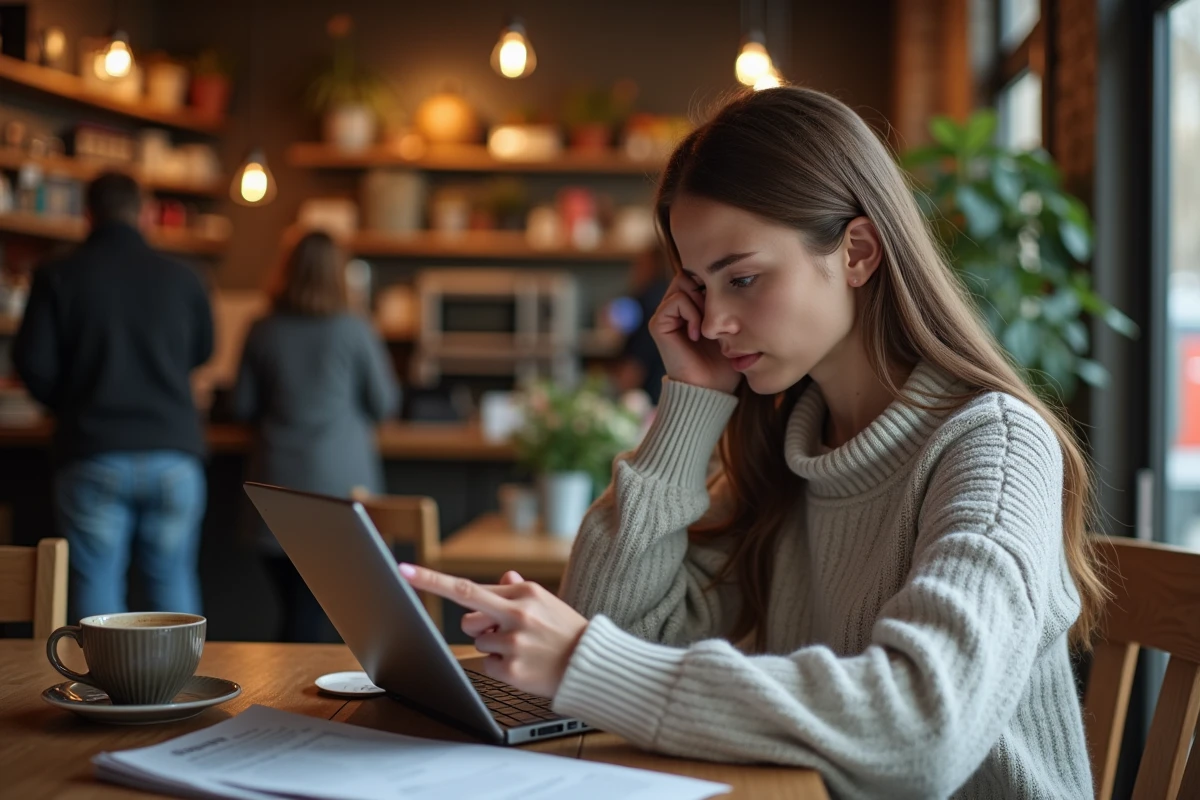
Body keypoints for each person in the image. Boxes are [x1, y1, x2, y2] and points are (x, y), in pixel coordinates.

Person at [400, 86, 1100, 798]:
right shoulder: (791, 448)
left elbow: (922, 731)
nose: (713, 322)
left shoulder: (995, 447)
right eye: (701, 287)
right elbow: (618, 629)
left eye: (743, 278)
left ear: (857, 251)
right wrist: (691, 405)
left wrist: (583, 657)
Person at [14, 172, 214, 623]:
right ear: (144, 213)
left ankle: (106, 692)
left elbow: (33, 364)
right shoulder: (184, 277)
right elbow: (203, 350)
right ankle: (184, 692)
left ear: (87, 214)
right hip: (173, 452)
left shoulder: (58, 274)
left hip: (92, 448)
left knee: (96, 582)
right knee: (172, 582)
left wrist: (68, 403)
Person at [233, 230, 399, 643]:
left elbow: (241, 407)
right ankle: (306, 700)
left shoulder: (263, 329)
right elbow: (384, 403)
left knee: (297, 609)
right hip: (340, 491)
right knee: (325, 613)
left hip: (277, 488)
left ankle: (292, 699)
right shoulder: (354, 330)